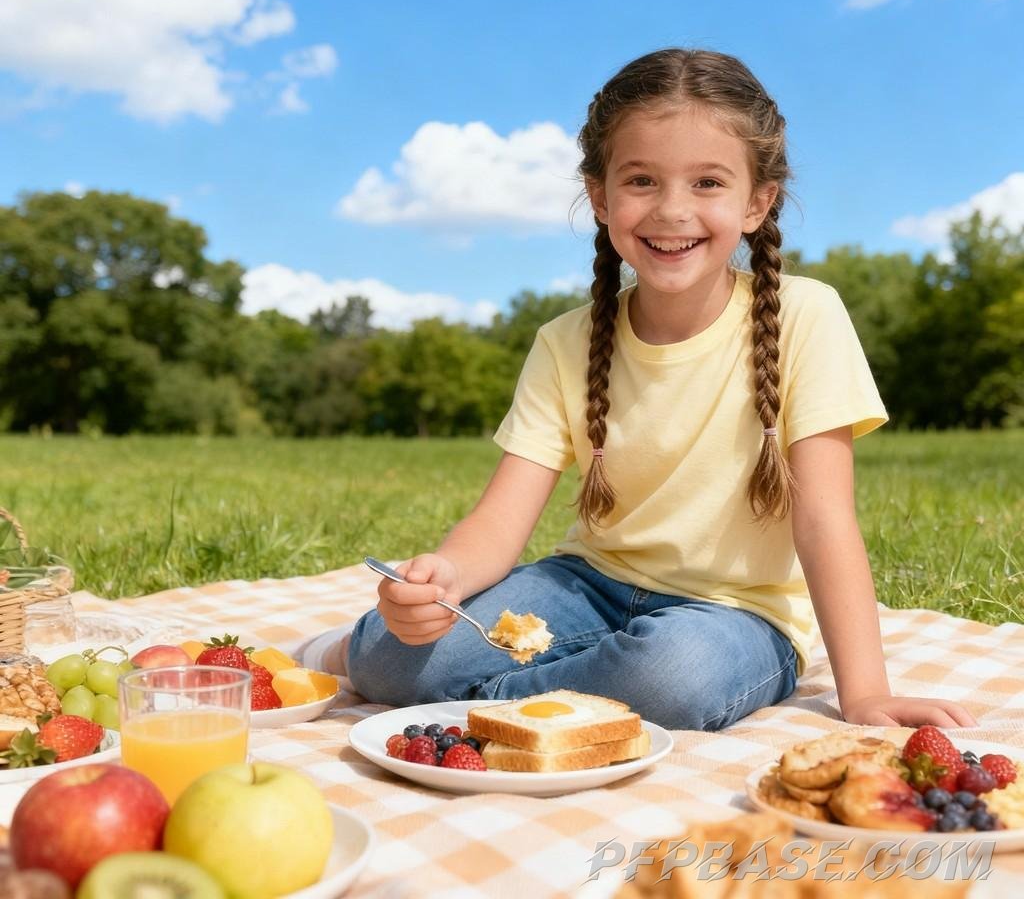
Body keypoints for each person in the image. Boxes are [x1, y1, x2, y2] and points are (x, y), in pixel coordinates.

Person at [339, 48, 976, 731]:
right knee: (383, 656)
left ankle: (483, 711)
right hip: (585, 584)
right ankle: (550, 709)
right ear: (600, 196)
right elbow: (500, 522)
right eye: (641, 180)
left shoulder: (808, 316)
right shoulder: (564, 341)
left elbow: (824, 520)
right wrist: (446, 578)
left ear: (758, 202)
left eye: (707, 183)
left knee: (670, 677)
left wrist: (867, 693)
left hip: (734, 615)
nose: (673, 211)